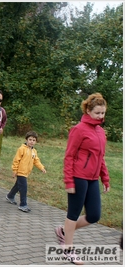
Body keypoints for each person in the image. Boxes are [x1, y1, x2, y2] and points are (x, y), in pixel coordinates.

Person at [54, 93, 110, 264]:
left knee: (94, 215)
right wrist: (69, 181)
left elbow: (101, 157)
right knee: (73, 214)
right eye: (98, 113)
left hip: (93, 179)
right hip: (78, 177)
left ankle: (64, 231)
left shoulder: (100, 131)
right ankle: (68, 249)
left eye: (103, 113)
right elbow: (69, 156)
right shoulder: (78, 129)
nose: (101, 117)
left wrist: (105, 178)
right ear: (88, 111)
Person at [6, 131, 46, 212]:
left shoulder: (34, 151)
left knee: (18, 185)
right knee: (23, 188)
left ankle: (10, 196)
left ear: (36, 141)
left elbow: (36, 161)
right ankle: (23, 205)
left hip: (26, 172)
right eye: (30, 139)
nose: (31, 141)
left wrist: (42, 168)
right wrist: (15, 170)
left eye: (34, 140)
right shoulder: (22, 149)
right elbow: (16, 160)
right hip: (21, 172)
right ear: (26, 140)